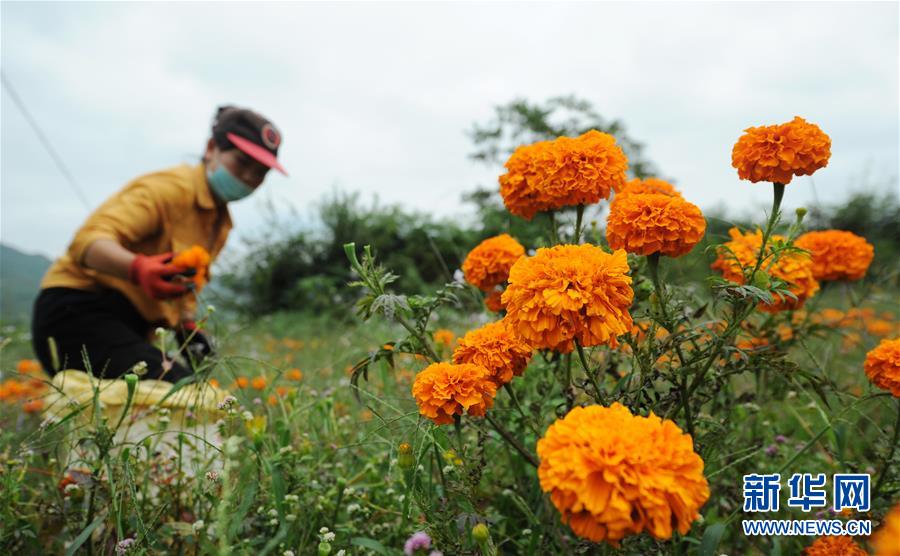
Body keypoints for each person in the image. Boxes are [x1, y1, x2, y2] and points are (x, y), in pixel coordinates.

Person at [31, 106, 287, 382]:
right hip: (76, 313)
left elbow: (187, 286)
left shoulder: (220, 223)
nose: (249, 177)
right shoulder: (168, 189)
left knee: (190, 392)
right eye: (242, 162)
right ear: (212, 148)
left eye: (260, 173)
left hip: (131, 326)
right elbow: (87, 242)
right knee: (178, 391)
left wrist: (187, 327)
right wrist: (138, 269)